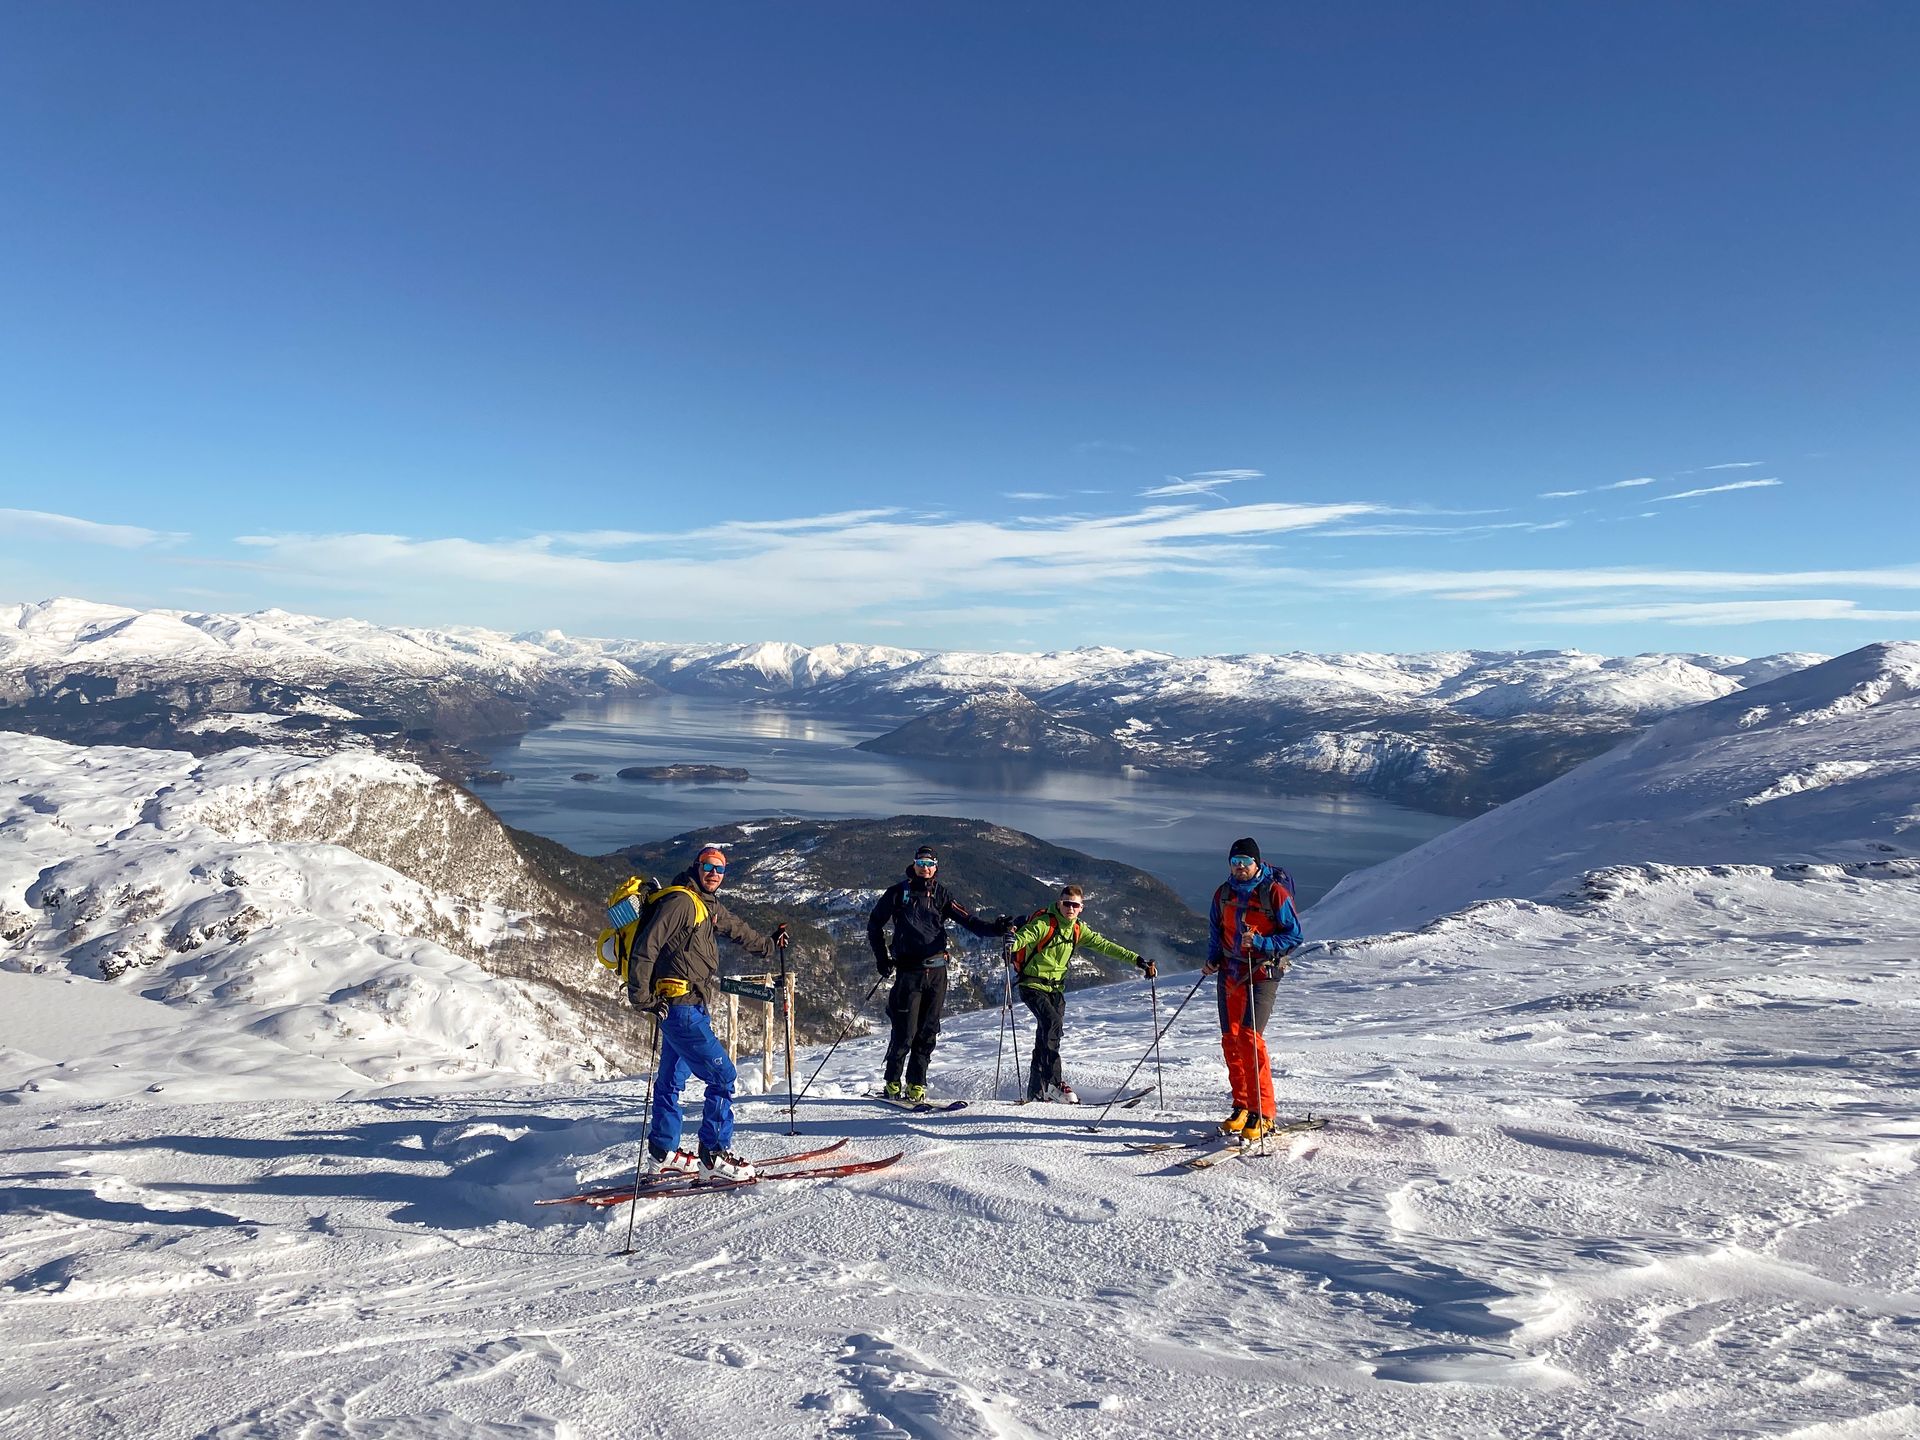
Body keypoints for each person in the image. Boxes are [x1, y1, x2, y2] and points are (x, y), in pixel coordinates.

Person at [629, 843, 789, 1183]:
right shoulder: (681, 903)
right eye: (708, 866)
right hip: (681, 1008)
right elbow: (646, 946)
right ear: (696, 867)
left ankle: (663, 1152)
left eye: (720, 869)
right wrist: (640, 996)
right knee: (723, 1076)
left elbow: (734, 927)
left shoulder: (705, 904)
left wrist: (767, 945)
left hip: (685, 1006)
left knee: (671, 1080)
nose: (714, 874)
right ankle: (714, 1155)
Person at [866, 845, 1009, 1103]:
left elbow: (970, 922)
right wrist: (882, 959)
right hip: (908, 971)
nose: (925, 868)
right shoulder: (898, 892)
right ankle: (892, 1083)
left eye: (929, 863)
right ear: (914, 865)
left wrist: (996, 929)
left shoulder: (941, 895)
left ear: (936, 867)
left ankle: (916, 1085)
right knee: (905, 1032)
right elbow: (874, 924)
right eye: (920, 863)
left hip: (937, 973)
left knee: (928, 1031)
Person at [1007, 884, 1155, 1104]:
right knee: (1052, 1023)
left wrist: (1137, 960)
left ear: (1081, 908)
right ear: (1059, 903)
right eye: (1066, 903)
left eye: (1074, 905)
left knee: (1047, 1037)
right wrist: (1012, 942)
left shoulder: (1077, 929)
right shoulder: (1045, 922)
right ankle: (1054, 1084)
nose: (1070, 908)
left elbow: (1105, 946)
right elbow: (1027, 935)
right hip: (1032, 985)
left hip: (1056, 989)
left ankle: (1036, 1093)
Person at [1204, 837, 1301, 1142]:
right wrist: (1213, 958)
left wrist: (1260, 943)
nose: (1240, 867)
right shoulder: (1223, 894)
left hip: (1262, 971)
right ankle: (1242, 1106)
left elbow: (1294, 936)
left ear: (1257, 863)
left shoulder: (1274, 893)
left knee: (1249, 1037)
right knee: (1230, 1038)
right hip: (1231, 970)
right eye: (1235, 862)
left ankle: (1264, 1112)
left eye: (1246, 862)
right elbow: (1216, 931)